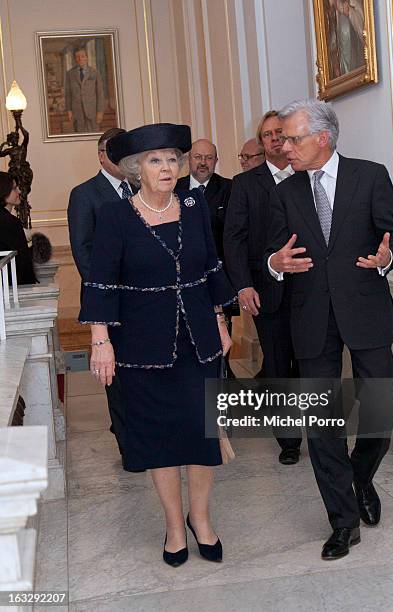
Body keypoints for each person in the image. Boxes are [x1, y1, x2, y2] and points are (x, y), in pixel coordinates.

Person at [79, 123, 235, 567]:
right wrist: (100, 341)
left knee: (203, 433)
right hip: (142, 345)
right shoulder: (116, 216)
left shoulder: (194, 205)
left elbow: (210, 267)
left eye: (171, 159)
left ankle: (200, 518)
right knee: (161, 437)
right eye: (155, 160)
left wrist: (221, 318)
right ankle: (173, 525)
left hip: (199, 340)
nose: (167, 167)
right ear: (135, 168)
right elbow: (101, 281)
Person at [267, 99, 393, 560]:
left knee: (382, 409)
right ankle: (343, 522)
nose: (283, 146)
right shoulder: (285, 192)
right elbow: (269, 251)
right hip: (310, 319)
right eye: (282, 138)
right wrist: (274, 263)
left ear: (322, 138)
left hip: (365, 310)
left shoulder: (369, 176)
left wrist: (387, 258)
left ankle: (359, 476)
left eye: (292, 138)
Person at [224, 111, 302, 464]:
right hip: (266, 289)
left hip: (311, 287)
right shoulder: (245, 185)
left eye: (279, 132)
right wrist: (242, 285)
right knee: (276, 361)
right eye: (267, 134)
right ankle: (288, 439)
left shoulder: (305, 174)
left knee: (309, 358)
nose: (273, 138)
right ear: (261, 140)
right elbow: (234, 239)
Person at [68, 127, 133, 461]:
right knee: (116, 376)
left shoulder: (141, 189)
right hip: (108, 302)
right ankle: (128, 446)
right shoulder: (85, 194)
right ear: (102, 154)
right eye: (116, 150)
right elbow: (83, 253)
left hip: (144, 300)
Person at [176, 139, 236, 377]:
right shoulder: (174, 188)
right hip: (185, 275)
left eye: (208, 157)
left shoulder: (230, 188)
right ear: (189, 160)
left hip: (220, 274)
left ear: (216, 161)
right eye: (197, 157)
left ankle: (222, 374)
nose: (202, 162)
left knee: (223, 332)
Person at [0, 172, 37, 285]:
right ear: (3, 191)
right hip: (12, 287)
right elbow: (22, 262)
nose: (19, 191)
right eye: (14, 188)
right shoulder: (10, 222)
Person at [65, 47, 105, 133]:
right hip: (77, 112)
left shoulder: (95, 73)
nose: (80, 59)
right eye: (77, 57)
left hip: (92, 112)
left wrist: (100, 112)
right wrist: (69, 110)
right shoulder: (70, 74)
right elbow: (68, 94)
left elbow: (100, 93)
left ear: (87, 57)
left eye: (82, 56)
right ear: (75, 59)